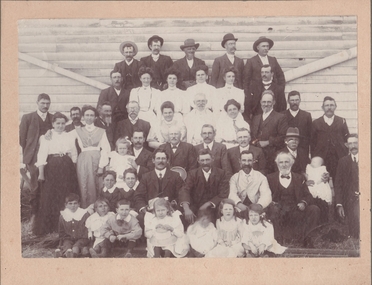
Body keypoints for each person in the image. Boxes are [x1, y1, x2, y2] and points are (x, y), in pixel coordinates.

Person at [33, 112, 79, 236]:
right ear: (53, 124)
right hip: (52, 167)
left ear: (66, 124)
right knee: (52, 195)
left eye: (63, 123)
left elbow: (74, 154)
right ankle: (51, 226)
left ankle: (66, 225)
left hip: (67, 167)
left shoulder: (69, 136)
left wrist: (73, 169)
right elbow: (42, 155)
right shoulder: (46, 137)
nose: (60, 126)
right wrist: (41, 174)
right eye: (57, 123)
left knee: (65, 194)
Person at [267, 152, 320, 247]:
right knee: (273, 210)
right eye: (281, 162)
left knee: (314, 209)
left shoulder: (299, 178)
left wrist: (303, 203)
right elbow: (265, 195)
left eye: (286, 162)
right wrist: (272, 203)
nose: (283, 165)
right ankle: (278, 241)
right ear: (277, 164)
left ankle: (307, 239)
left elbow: (308, 196)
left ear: (291, 163)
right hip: (278, 209)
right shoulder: (270, 178)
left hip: (295, 208)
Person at [70, 105, 111, 208]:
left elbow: (106, 149)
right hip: (83, 160)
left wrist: (101, 166)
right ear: (83, 117)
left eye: (91, 115)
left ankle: (99, 208)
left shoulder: (101, 131)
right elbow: (62, 136)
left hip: (97, 159)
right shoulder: (77, 131)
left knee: (97, 185)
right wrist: (49, 133)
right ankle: (86, 209)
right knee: (84, 184)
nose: (89, 117)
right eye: (87, 115)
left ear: (95, 117)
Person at [133, 148, 185, 228]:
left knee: (180, 217)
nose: (161, 161)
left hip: (170, 209)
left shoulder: (175, 176)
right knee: (140, 218)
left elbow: (182, 193)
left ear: (167, 160)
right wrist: (144, 209)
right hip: (151, 210)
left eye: (163, 158)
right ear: (153, 160)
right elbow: (138, 195)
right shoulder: (146, 177)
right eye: (158, 158)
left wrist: (173, 203)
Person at [19, 93, 53, 215]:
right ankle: (35, 213)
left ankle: (47, 212)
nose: (45, 105)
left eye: (48, 103)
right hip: (33, 157)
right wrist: (30, 151)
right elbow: (22, 139)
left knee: (48, 182)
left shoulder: (53, 118)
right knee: (35, 183)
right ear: (37, 103)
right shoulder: (27, 118)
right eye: (43, 103)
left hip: (49, 157)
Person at [179, 149, 229, 226]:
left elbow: (223, 193)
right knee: (185, 220)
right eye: (202, 160)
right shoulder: (192, 174)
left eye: (207, 160)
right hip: (195, 206)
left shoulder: (221, 173)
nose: (205, 163)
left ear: (212, 159)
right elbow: (185, 190)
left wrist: (208, 204)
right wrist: (187, 208)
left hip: (213, 207)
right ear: (198, 161)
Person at [310, 96, 349, 180]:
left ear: (335, 107)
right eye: (327, 105)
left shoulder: (341, 121)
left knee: (339, 180)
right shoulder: (316, 123)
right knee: (322, 181)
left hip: (338, 158)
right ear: (322, 107)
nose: (329, 108)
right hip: (322, 158)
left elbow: (346, 139)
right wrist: (314, 158)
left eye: (331, 105)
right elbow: (312, 143)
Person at [251, 90, 288, 173]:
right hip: (258, 155)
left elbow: (283, 137)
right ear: (260, 102)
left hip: (272, 155)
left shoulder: (280, 117)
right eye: (264, 102)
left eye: (269, 102)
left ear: (273, 102)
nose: (266, 104)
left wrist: (268, 142)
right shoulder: (256, 118)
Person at [229, 151, 272, 218]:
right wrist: (239, 204)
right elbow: (232, 194)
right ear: (239, 161)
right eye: (244, 160)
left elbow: (266, 195)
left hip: (257, 208)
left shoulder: (261, 177)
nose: (246, 163)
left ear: (253, 161)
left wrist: (259, 206)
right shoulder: (234, 177)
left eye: (249, 160)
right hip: (240, 209)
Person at [243, 36, 285, 105]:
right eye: (263, 46)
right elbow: (246, 80)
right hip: (257, 94)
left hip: (273, 93)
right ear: (258, 47)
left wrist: (280, 90)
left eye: (267, 46)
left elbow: (281, 76)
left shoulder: (273, 60)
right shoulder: (251, 61)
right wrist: (249, 95)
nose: (266, 48)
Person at [334, 134, 359, 239]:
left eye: (355, 143)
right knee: (354, 230)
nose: (353, 146)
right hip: (350, 199)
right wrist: (339, 204)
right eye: (350, 143)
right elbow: (338, 184)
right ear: (346, 145)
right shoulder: (343, 161)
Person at [54, 193, 90, 258]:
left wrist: (84, 237)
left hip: (82, 238)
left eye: (75, 203)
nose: (73, 206)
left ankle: (74, 253)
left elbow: (87, 229)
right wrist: (63, 239)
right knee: (67, 245)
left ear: (79, 204)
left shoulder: (84, 214)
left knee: (77, 246)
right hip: (69, 238)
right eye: (70, 203)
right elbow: (61, 230)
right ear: (66, 205)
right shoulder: (63, 215)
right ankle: (66, 253)